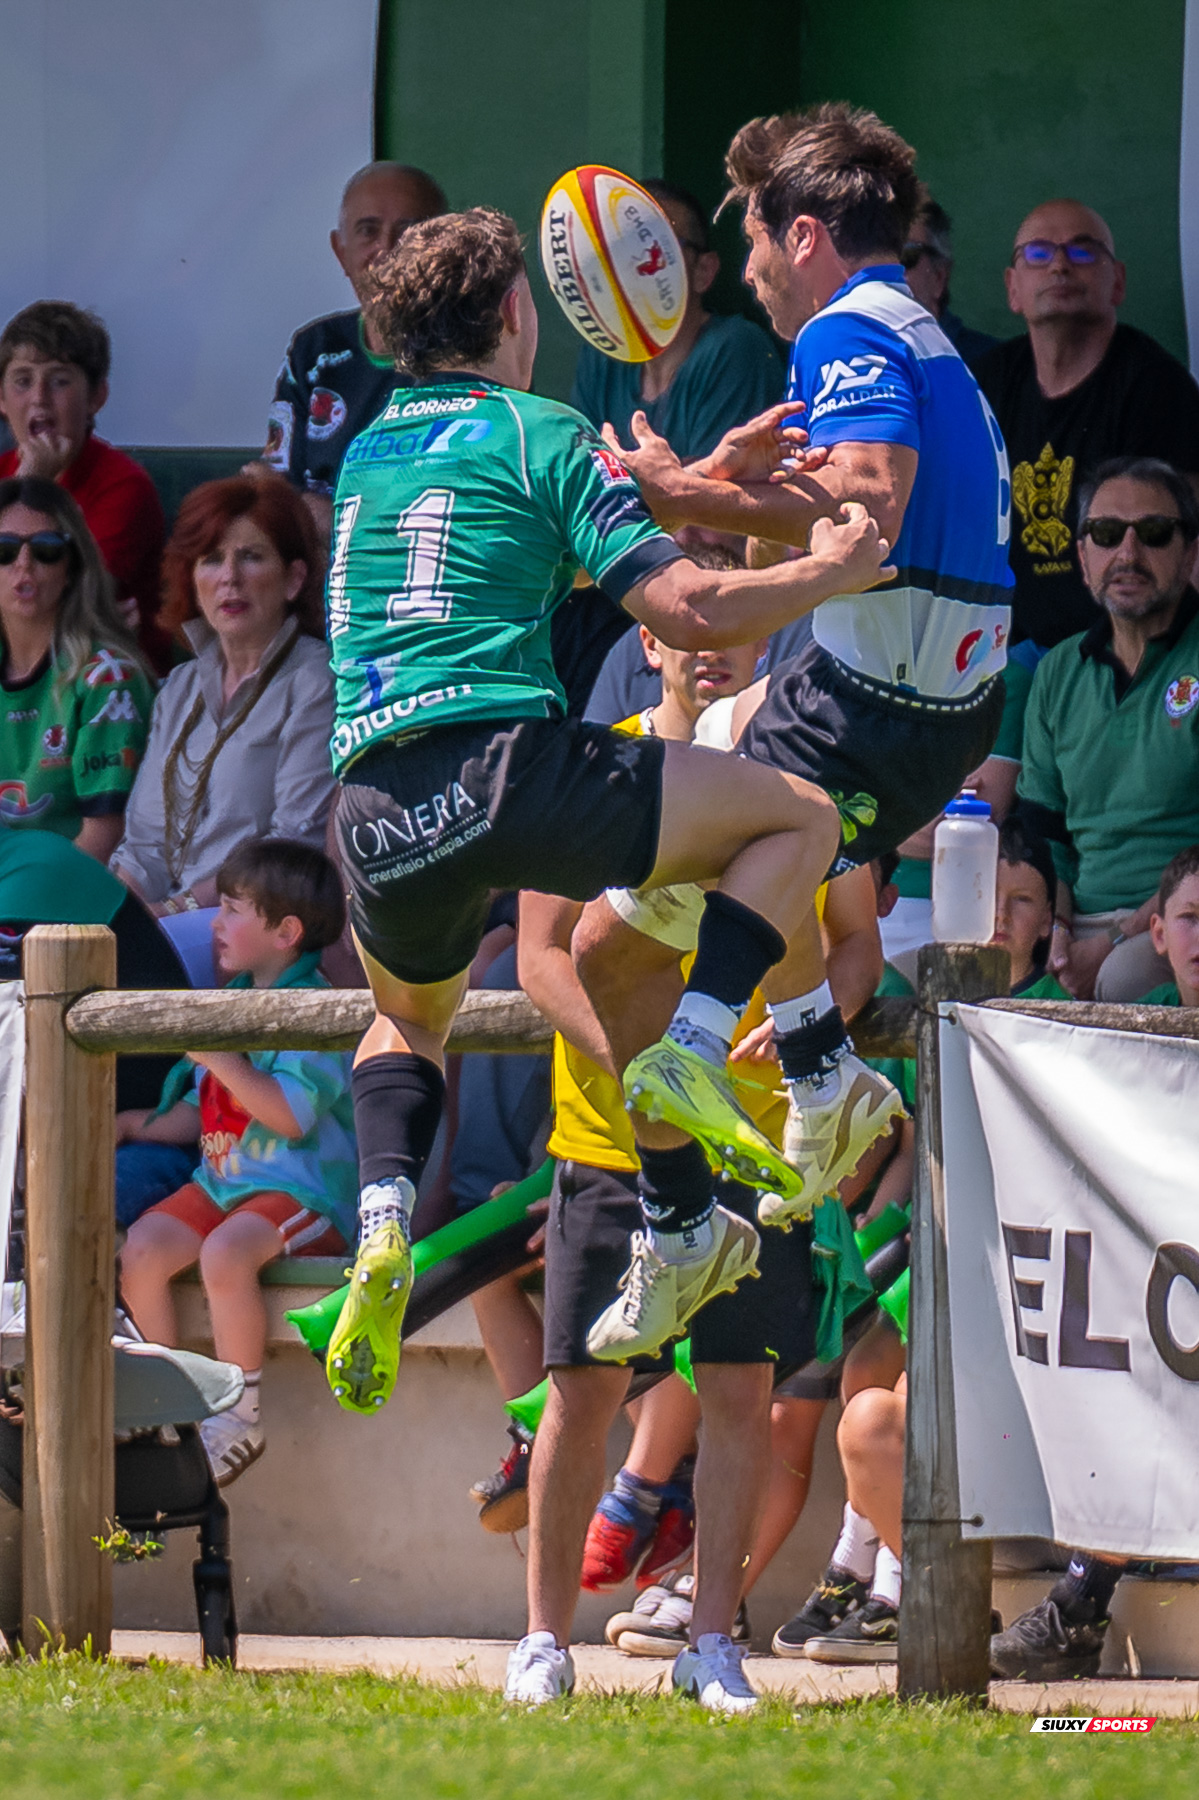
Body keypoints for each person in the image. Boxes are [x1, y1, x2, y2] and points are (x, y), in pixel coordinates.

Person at [320, 204, 892, 1435]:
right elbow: (684, 609)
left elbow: (515, 548)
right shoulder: (543, 428)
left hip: (367, 804)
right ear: (520, 315)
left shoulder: (368, 453)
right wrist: (826, 571)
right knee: (795, 818)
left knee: (402, 1023)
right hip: (509, 767)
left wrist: (703, 482)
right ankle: (709, 1044)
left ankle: (382, 1223)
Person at [570, 103, 1012, 1356]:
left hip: (872, 705)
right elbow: (849, 529)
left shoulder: (847, 329)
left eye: (755, 241)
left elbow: (862, 520)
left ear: (801, 233)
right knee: (612, 941)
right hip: (890, 692)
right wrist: (708, 483)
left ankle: (727, 1102)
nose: (750, 270)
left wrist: (681, 495)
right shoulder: (901, 332)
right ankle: (792, 1105)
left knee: (646, 914)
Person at [118, 840, 356, 1487]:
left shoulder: (316, 1009)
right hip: (221, 1188)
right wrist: (129, 1125)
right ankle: (170, 1407)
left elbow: (289, 1115)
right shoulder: (235, 1000)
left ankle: (238, 1416)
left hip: (303, 1197)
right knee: (139, 1248)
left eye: (230, 909)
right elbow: (198, 1114)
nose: (215, 923)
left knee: (224, 1254)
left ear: (286, 931)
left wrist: (224, 1058)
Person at [111, 476, 334, 979]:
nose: (229, 577)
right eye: (211, 558)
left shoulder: (316, 679)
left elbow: (291, 844)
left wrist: (168, 913)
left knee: (127, 966)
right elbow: (142, 842)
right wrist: (112, 916)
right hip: (165, 922)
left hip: (258, 929)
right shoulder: (180, 686)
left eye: (251, 556)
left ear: (294, 579)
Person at [975, 200, 1199, 656]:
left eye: (1082, 252)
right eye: (1038, 254)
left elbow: (1186, 547)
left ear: (1117, 282)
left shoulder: (1157, 387)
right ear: (1012, 287)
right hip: (1010, 649)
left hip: (1131, 650)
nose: (1059, 264)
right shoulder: (986, 384)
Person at [1017, 458, 1199, 1001]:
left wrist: (1123, 936)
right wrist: (1063, 933)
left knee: (1119, 983)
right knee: (983, 996)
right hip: (1079, 923)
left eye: (1154, 533)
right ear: (1081, 555)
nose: (1127, 553)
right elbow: (1044, 829)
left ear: (1190, 553)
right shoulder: (1057, 672)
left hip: (1178, 922)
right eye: (1105, 533)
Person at [263, 162, 447, 527]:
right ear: (340, 251)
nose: (388, 248)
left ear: (444, 248)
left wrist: (324, 515)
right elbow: (274, 490)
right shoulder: (312, 350)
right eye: (368, 231)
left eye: (408, 231)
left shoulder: (474, 354)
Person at [0, 303, 170, 672]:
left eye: (59, 380)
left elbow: (59, 608)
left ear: (96, 397)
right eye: (22, 380)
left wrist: (33, 486)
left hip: (101, 682)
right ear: (1, 399)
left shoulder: (124, 486)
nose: (39, 397)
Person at [572, 179, 783, 465]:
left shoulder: (736, 346)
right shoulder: (602, 355)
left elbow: (711, 492)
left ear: (704, 270)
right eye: (619, 248)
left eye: (655, 246)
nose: (631, 263)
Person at [0, 476, 154, 863]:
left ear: (72, 567)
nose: (24, 564)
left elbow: (104, 836)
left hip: (63, 899)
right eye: (4, 549)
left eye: (47, 549)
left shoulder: (108, 678)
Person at [901, 187, 998, 371]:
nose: (885, 272)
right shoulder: (840, 360)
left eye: (906, 256)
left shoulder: (993, 369)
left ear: (939, 276)